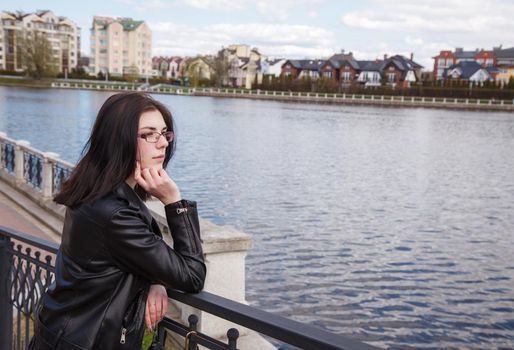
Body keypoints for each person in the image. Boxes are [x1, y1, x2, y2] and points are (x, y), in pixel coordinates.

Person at [29, 92, 206, 349]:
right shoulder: (113, 214)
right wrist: (174, 202)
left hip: (63, 334)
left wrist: (155, 279)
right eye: (149, 134)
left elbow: (133, 253)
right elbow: (192, 275)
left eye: (164, 132)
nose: (163, 143)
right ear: (118, 139)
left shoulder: (98, 191)